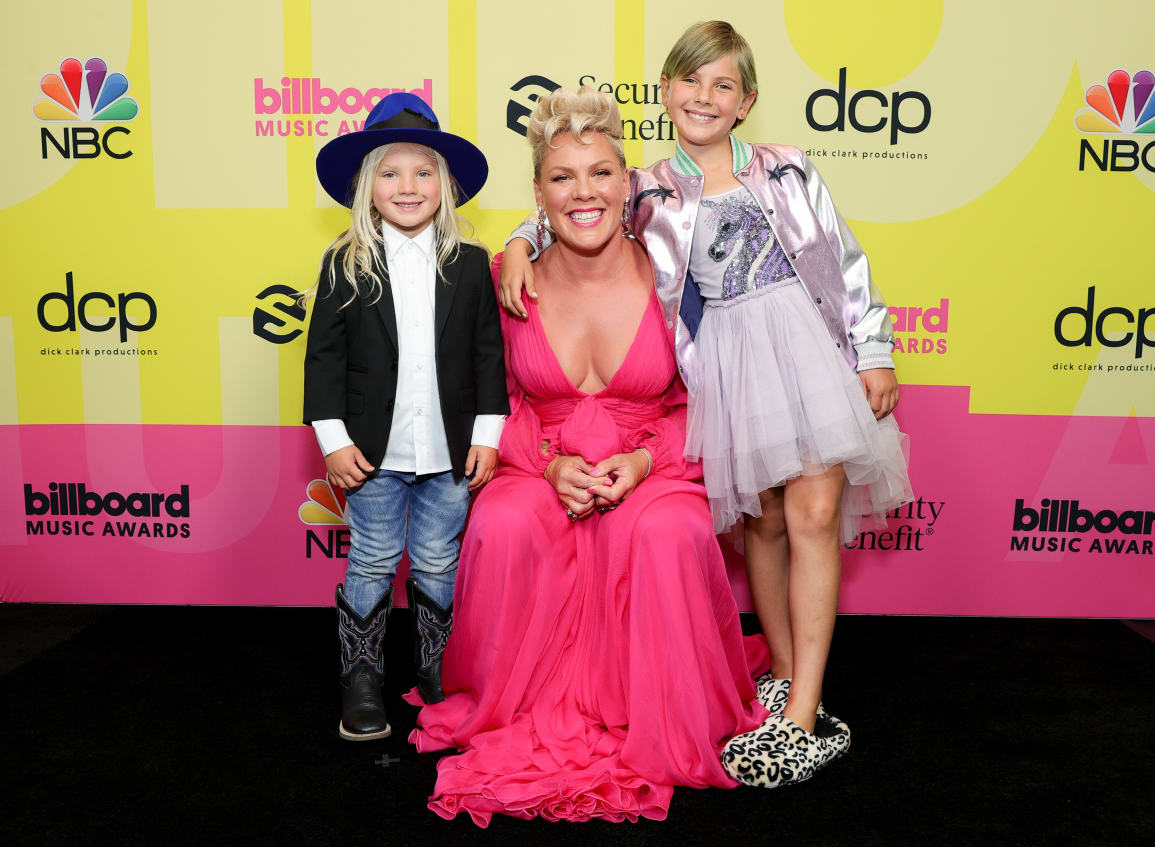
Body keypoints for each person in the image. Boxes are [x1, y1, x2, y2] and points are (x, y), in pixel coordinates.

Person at [500, 21, 913, 787]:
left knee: (815, 515)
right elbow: (580, 205)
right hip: (726, 365)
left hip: (807, 352)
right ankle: (786, 672)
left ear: (747, 100)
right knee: (762, 520)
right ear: (665, 91)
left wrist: (876, 348)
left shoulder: (789, 168)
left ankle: (803, 715)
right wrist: (523, 241)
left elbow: (845, 259)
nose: (705, 96)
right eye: (691, 81)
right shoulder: (651, 186)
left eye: (723, 85)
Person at [404, 87, 770, 826]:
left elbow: (712, 398)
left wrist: (643, 461)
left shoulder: (674, 274)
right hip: (541, 458)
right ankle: (512, 700)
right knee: (504, 521)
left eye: (601, 173)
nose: (584, 193)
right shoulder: (511, 282)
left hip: (660, 463)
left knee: (670, 533)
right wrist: (543, 463)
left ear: (627, 182)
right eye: (562, 177)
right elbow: (484, 396)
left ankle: (657, 710)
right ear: (537, 192)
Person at [304, 92, 508, 741]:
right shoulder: (344, 262)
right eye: (390, 173)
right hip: (370, 455)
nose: (408, 186)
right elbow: (322, 361)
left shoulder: (472, 265)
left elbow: (486, 354)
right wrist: (333, 442)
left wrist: (487, 435)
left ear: (446, 186)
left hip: (449, 451)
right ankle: (361, 677)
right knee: (371, 557)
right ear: (367, 188)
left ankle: (433, 667)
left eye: (423, 173)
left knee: (436, 560)